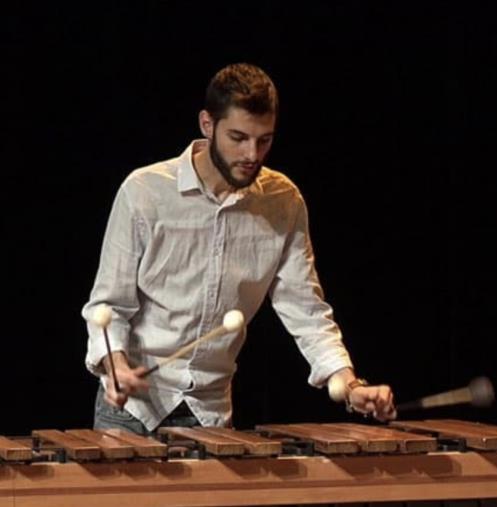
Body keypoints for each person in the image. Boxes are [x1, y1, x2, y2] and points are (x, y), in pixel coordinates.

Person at [83, 63, 395, 435]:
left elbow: (306, 309)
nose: (252, 154)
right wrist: (115, 365)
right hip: (133, 411)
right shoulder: (145, 192)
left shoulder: (283, 202)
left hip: (210, 415)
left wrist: (349, 383)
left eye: (264, 140)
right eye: (238, 137)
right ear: (207, 124)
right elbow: (109, 306)